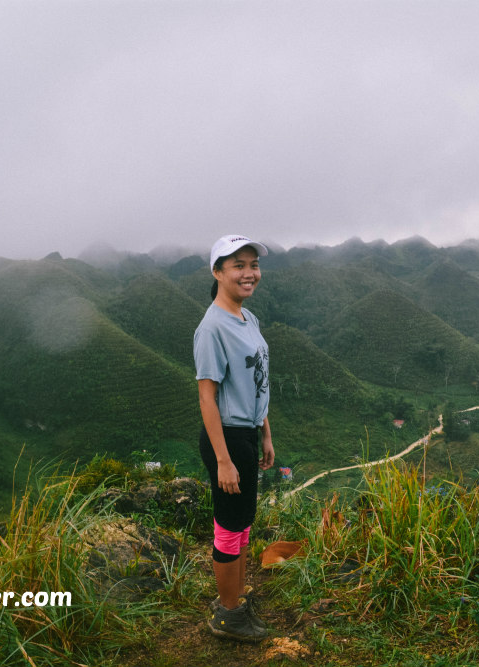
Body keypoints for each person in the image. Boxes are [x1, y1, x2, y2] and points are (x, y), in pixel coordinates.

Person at [194, 234, 276, 642]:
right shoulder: (212, 329)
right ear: (218, 273)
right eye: (238, 266)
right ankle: (228, 615)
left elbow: (256, 382)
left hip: (246, 433)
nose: (249, 273)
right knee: (229, 525)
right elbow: (207, 397)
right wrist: (224, 459)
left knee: (243, 524)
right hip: (225, 437)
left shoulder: (248, 318)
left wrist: (265, 432)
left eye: (253, 265)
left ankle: (235, 597)